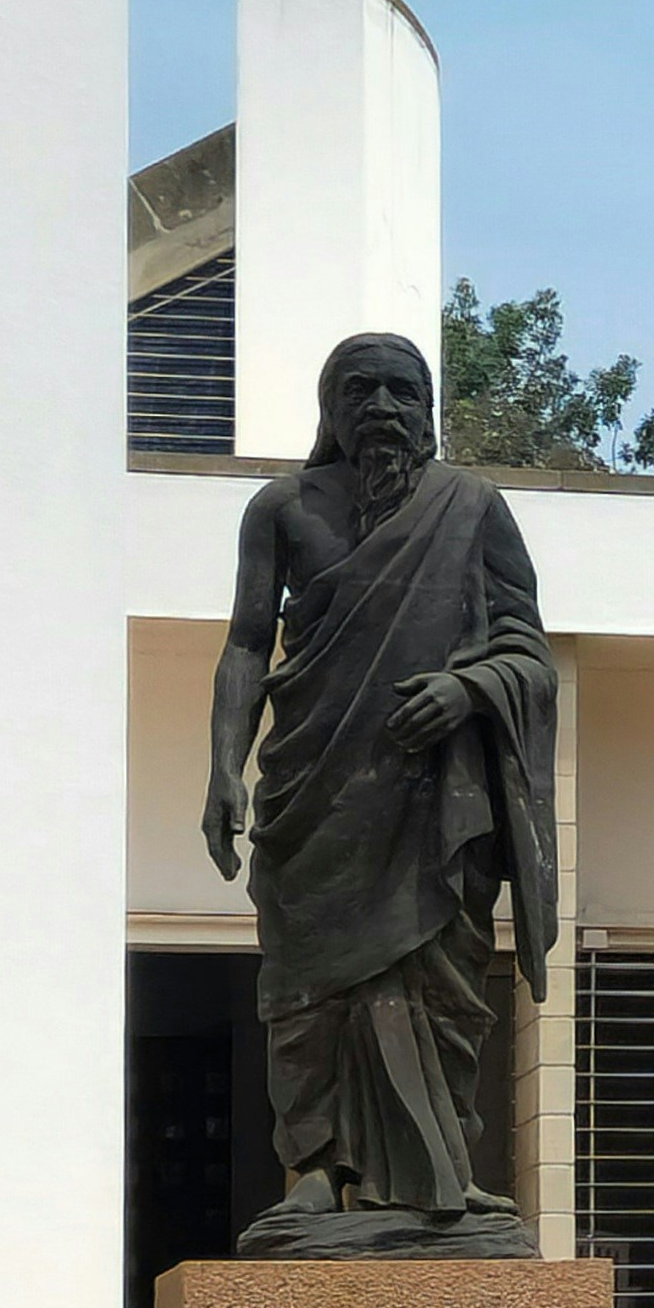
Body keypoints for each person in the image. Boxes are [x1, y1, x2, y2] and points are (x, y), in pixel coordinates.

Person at [197, 325, 561, 1252]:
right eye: (361, 391)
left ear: (428, 409)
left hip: (436, 798)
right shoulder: (281, 509)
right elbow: (245, 644)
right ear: (332, 408)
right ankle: (317, 1170)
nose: (384, 410)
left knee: (441, 982)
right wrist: (222, 770)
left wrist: (466, 687)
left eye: (403, 392)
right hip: (314, 788)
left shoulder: (472, 509)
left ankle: (444, 1173)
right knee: (304, 986)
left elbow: (529, 650)